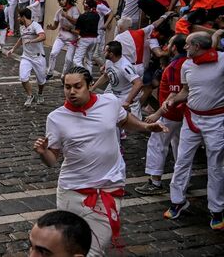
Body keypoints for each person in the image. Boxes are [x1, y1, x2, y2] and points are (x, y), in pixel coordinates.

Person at [33, 66, 167, 255]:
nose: (71, 92)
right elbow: (52, 160)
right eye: (67, 87)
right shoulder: (56, 118)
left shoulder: (110, 102)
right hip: (72, 191)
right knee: (69, 247)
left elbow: (123, 120)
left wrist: (146, 126)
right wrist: (42, 152)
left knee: (95, 251)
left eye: (77, 86)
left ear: (89, 85)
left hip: (108, 187)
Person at [163, 31, 224, 230]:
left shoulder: (222, 61)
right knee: (181, 160)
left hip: (216, 120)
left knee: (215, 165)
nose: (185, 47)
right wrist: (173, 99)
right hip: (191, 118)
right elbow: (185, 91)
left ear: (197, 46)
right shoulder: (187, 65)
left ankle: (216, 209)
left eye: (188, 45)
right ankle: (178, 200)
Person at [135, 34, 187, 195]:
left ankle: (155, 181)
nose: (166, 46)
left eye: (169, 43)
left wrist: (158, 114)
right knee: (180, 148)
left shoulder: (174, 66)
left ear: (174, 47)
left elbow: (174, 93)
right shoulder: (189, 63)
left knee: (157, 144)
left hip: (170, 114)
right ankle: (182, 181)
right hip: (184, 114)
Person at [90, 41, 144, 123]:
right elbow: (105, 76)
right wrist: (92, 88)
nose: (103, 52)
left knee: (134, 127)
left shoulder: (124, 66)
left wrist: (127, 101)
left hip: (127, 100)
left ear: (111, 54)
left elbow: (138, 83)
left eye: (105, 51)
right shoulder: (109, 61)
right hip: (115, 97)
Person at [7, 8, 47, 107]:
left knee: (41, 80)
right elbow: (21, 39)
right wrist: (13, 49)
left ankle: (40, 94)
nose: (17, 19)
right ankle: (30, 95)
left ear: (23, 17)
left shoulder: (35, 25)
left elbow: (43, 36)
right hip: (26, 57)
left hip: (38, 57)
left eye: (19, 17)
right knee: (23, 77)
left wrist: (32, 41)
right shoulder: (22, 28)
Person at [71, 0, 101, 75]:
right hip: (94, 39)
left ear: (86, 6)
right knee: (89, 60)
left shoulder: (82, 17)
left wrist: (69, 29)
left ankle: (85, 75)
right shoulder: (97, 15)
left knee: (77, 60)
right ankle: (90, 79)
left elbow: (77, 31)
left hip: (85, 39)